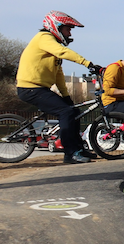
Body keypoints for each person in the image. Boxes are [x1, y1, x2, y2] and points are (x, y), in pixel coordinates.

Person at [15, 11, 102, 164]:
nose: (69, 33)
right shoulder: (44, 38)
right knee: (66, 112)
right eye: (67, 29)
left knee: (74, 111)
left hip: (40, 88)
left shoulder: (51, 47)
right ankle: (70, 154)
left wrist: (66, 96)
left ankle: (79, 148)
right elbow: (63, 52)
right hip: (30, 88)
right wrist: (88, 63)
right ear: (56, 27)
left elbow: (58, 75)